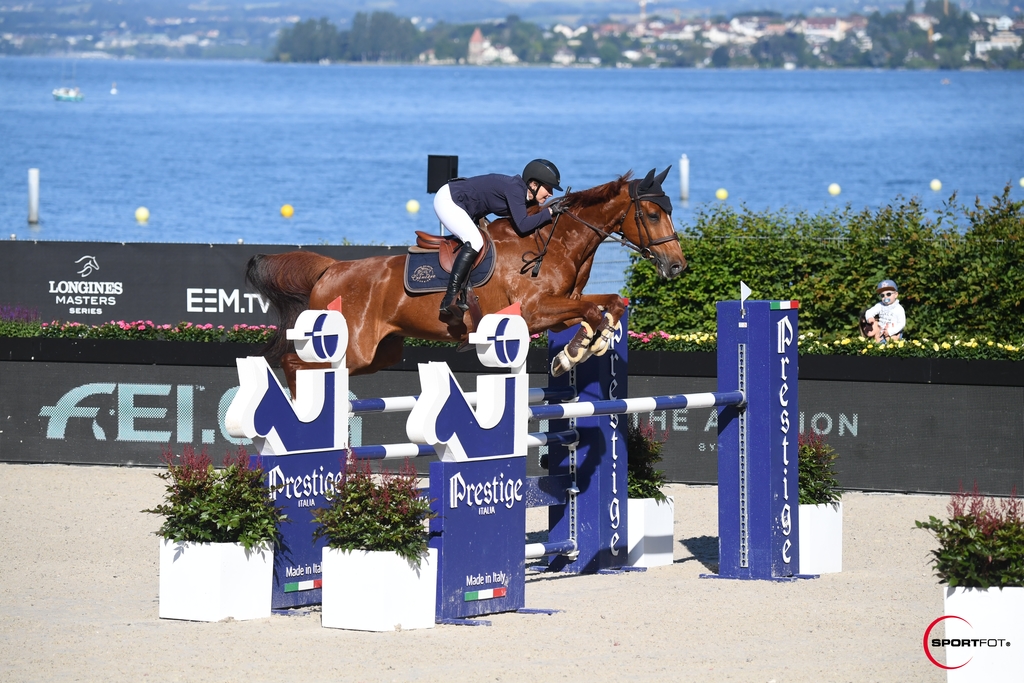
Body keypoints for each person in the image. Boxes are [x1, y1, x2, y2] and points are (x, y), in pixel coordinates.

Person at [433, 159, 563, 317]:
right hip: (449, 200)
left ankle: (465, 293)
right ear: (534, 185)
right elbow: (522, 226)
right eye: (548, 188)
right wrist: (549, 212)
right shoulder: (516, 190)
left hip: (464, 206)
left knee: (483, 241)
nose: (551, 194)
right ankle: (449, 299)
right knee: (475, 241)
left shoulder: (523, 195)